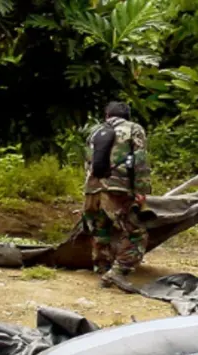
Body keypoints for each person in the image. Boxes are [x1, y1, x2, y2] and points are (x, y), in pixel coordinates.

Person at [82, 101, 151, 291]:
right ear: (127, 116)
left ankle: (103, 270)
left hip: (93, 189)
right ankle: (119, 272)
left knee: (100, 229)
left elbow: (88, 162)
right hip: (117, 188)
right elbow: (140, 161)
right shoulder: (134, 129)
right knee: (136, 233)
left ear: (107, 116)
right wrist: (141, 191)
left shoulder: (95, 132)